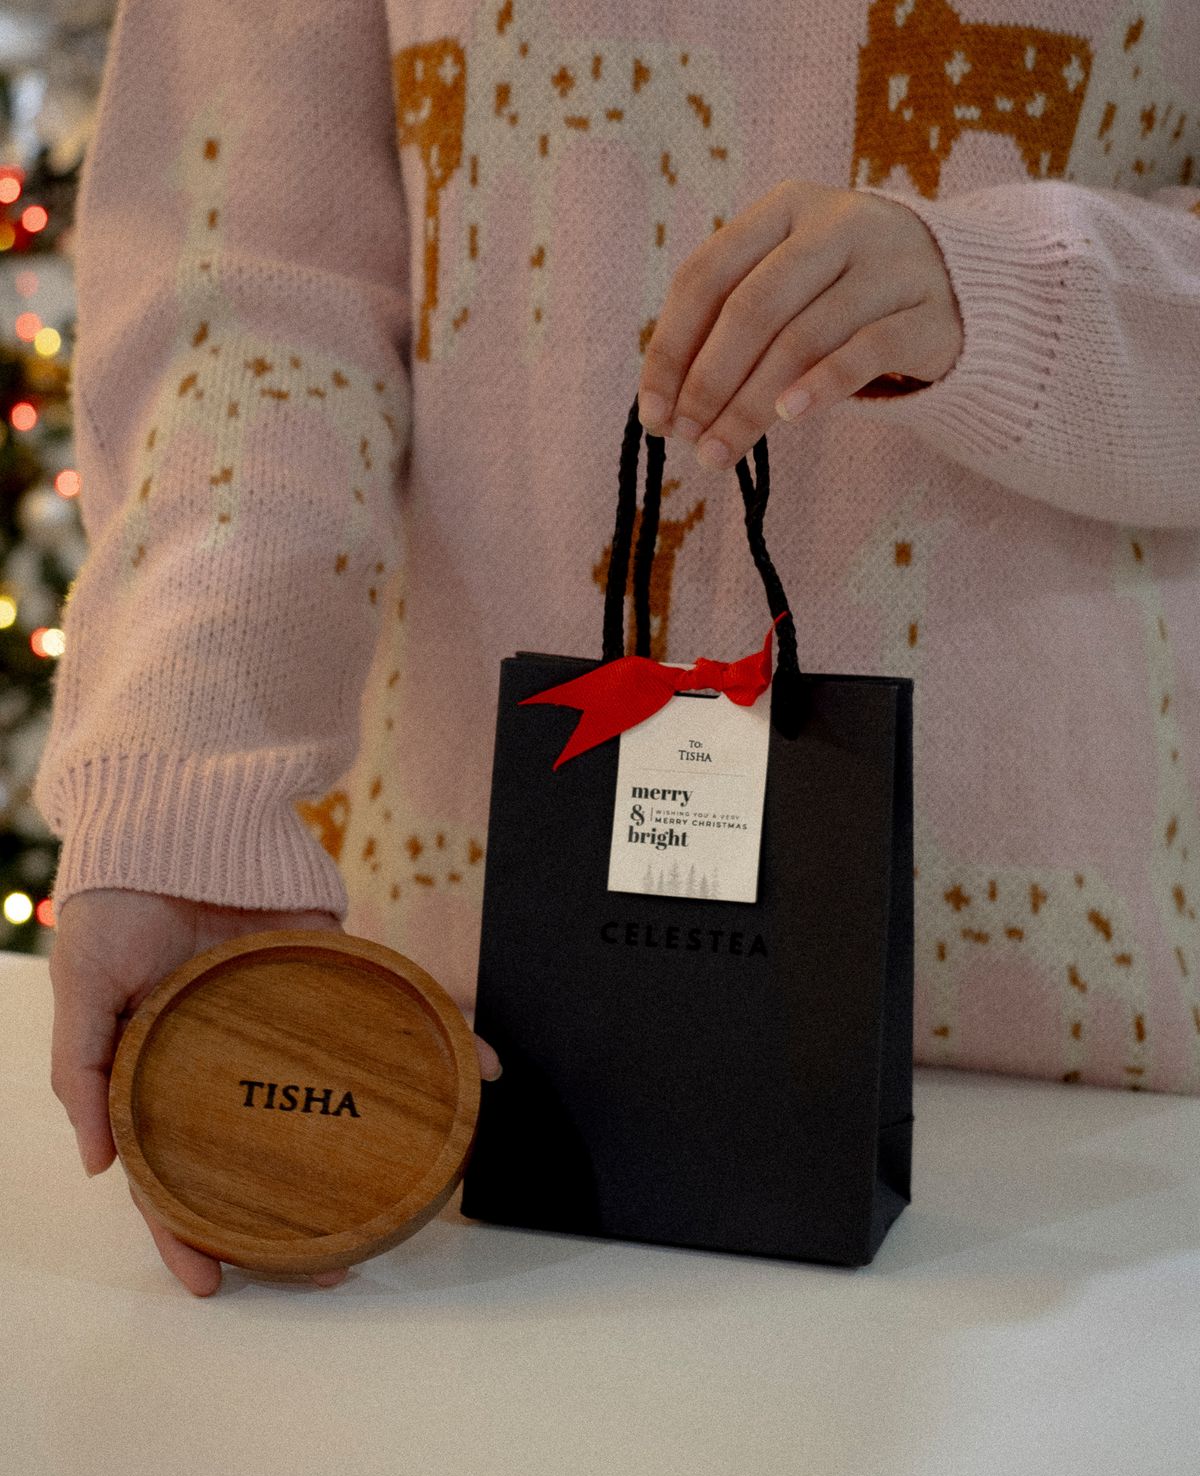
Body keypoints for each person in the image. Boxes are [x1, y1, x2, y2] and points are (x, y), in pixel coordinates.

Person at [32, 0, 1200, 1294]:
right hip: (460, 1063)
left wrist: (1011, 289)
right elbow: (246, 310)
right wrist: (188, 792)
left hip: (1090, 1111)